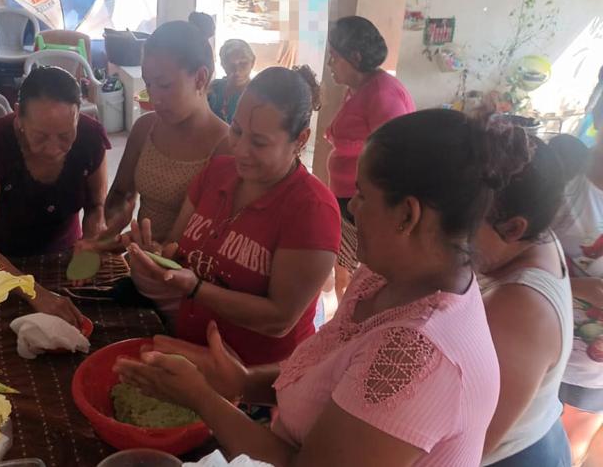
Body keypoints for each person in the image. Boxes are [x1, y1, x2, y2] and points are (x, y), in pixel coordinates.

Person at [116, 109, 535, 466]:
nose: (352, 208)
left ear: (407, 216)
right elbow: (330, 372)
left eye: (365, 197)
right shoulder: (387, 276)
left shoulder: (420, 354)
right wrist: (245, 382)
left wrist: (203, 399)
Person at [124, 65, 339, 366]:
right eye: (237, 130)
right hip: (192, 350)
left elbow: (279, 319)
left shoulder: (312, 209)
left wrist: (196, 288)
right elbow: (176, 247)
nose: (240, 149)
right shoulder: (217, 173)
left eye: (259, 142)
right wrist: (157, 257)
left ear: (300, 139)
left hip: (255, 379)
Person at [0, 66, 110, 328]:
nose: (53, 148)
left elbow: (97, 204)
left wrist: (90, 243)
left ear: (78, 115)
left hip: (66, 260)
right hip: (3, 264)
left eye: (66, 135)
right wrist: (36, 293)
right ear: (18, 115)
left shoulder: (90, 137)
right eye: (40, 136)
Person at [473, 132, 573, 466]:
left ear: (514, 228)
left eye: (466, 219)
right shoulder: (533, 238)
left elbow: (475, 441)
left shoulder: (521, 308)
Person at [106, 21, 230, 243]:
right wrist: (116, 221)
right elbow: (119, 194)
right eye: (148, 84)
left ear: (201, 78)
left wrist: (160, 256)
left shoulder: (226, 146)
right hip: (141, 264)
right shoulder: (145, 128)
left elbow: (216, 235)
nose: (155, 98)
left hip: (189, 273)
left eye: (164, 85)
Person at [326, 16, 415, 297]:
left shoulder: (383, 94)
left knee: (360, 279)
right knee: (344, 271)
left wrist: (368, 201)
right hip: (349, 197)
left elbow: (396, 155)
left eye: (334, 58)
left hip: (362, 202)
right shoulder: (358, 89)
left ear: (354, 57)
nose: (329, 64)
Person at [551, 127, 603, 465]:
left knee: (574, 439)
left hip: (593, 369)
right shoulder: (564, 190)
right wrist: (574, 287)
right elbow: (511, 266)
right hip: (549, 345)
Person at [208, 39, 255, 124]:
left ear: (253, 63)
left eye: (243, 64)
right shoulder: (214, 88)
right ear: (222, 65)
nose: (237, 71)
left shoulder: (257, 96)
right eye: (231, 65)